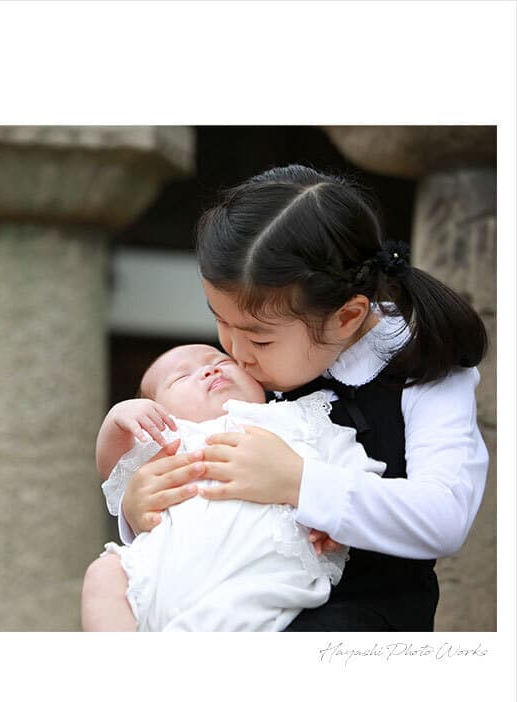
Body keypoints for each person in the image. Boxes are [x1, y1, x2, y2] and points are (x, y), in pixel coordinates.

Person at [99, 164, 489, 632]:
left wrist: (300, 483)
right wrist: (141, 503)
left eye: (258, 340)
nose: (234, 353)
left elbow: (443, 517)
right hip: (224, 593)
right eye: (220, 322)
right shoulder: (267, 346)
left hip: (355, 619)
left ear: (347, 318)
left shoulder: (422, 367)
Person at [82, 343, 385, 632]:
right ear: (160, 414)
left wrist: (332, 509)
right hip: (159, 571)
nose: (208, 371)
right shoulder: (169, 442)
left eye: (221, 362)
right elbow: (114, 470)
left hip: (256, 571)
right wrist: (117, 420)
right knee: (104, 575)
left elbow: (357, 473)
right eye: (182, 376)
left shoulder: (297, 420)